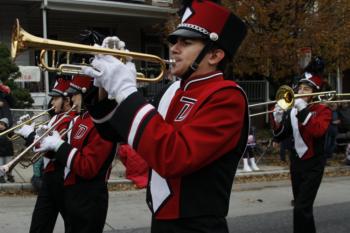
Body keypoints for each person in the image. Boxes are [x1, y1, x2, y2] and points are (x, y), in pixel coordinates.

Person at [83, 0, 249, 232]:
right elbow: (113, 132)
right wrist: (105, 86)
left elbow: (173, 157)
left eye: (186, 42)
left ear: (214, 55)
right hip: (160, 215)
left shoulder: (227, 97)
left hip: (196, 225)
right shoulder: (172, 90)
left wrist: (126, 90)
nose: (174, 48)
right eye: (175, 41)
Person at [35, 74, 117, 233]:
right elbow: (64, 157)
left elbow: (88, 167)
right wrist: (45, 145)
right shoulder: (79, 120)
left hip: (90, 197)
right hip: (71, 192)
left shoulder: (102, 123)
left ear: (87, 93)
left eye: (75, 94)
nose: (71, 100)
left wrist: (59, 146)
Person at [272, 68, 332, 233]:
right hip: (296, 162)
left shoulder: (322, 110)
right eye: (299, 88)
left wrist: (303, 109)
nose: (300, 91)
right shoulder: (292, 110)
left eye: (306, 89)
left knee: (302, 207)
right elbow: (281, 135)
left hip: (314, 163)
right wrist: (277, 119)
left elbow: (318, 131)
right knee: (301, 207)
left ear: (314, 92)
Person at [15, 77, 76, 233]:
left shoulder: (71, 120)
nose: (52, 103)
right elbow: (40, 144)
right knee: (39, 224)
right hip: (48, 176)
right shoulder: (56, 117)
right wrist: (30, 130)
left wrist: (30, 135)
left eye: (56, 98)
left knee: (73, 224)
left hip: (61, 178)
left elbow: (51, 149)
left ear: (67, 100)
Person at [0, 117, 14, 183]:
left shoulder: (9, 132)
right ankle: (1, 177)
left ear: (6, 125)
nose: (1, 126)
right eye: (0, 124)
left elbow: (13, 134)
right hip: (0, 152)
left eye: (3, 124)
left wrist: (8, 129)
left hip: (9, 151)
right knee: (1, 165)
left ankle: (9, 176)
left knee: (9, 165)